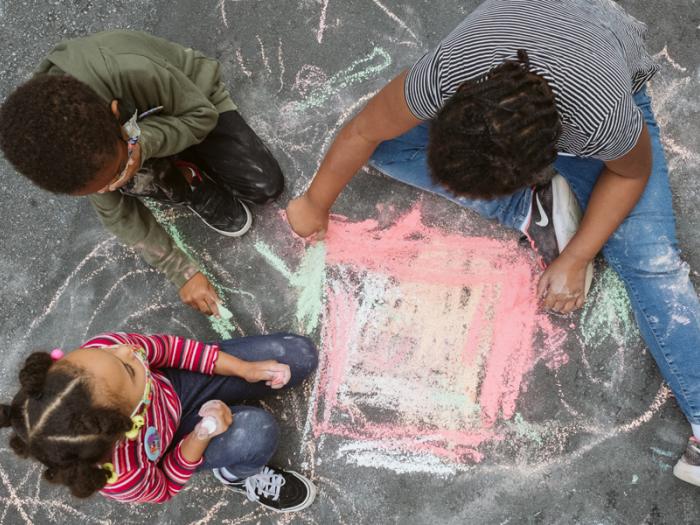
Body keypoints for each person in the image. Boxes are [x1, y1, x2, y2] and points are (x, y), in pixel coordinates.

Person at [286, 0, 700, 484]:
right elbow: (363, 129)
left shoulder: (600, 119)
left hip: (602, 68)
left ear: (546, 158)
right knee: (385, 145)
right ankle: (530, 209)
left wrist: (577, 255)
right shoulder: (446, 75)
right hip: (527, 46)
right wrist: (315, 200)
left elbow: (631, 173)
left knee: (650, 262)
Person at [0, 30, 284, 318]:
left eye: (115, 174)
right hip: (132, 140)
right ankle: (188, 183)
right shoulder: (68, 152)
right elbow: (117, 214)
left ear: (114, 114)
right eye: (104, 186)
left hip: (190, 104)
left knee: (265, 186)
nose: (113, 184)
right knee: (131, 176)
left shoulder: (131, 70)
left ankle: (162, 157)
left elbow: (202, 115)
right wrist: (181, 272)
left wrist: (143, 142)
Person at [0, 331, 318, 511]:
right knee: (257, 433)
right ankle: (235, 473)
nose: (126, 351)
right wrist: (201, 435)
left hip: (175, 387)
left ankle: (237, 384)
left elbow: (169, 350)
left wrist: (243, 369)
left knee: (298, 354)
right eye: (128, 368)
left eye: (112, 354)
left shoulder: (104, 352)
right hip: (176, 440)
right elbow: (164, 485)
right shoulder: (124, 473)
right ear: (121, 423)